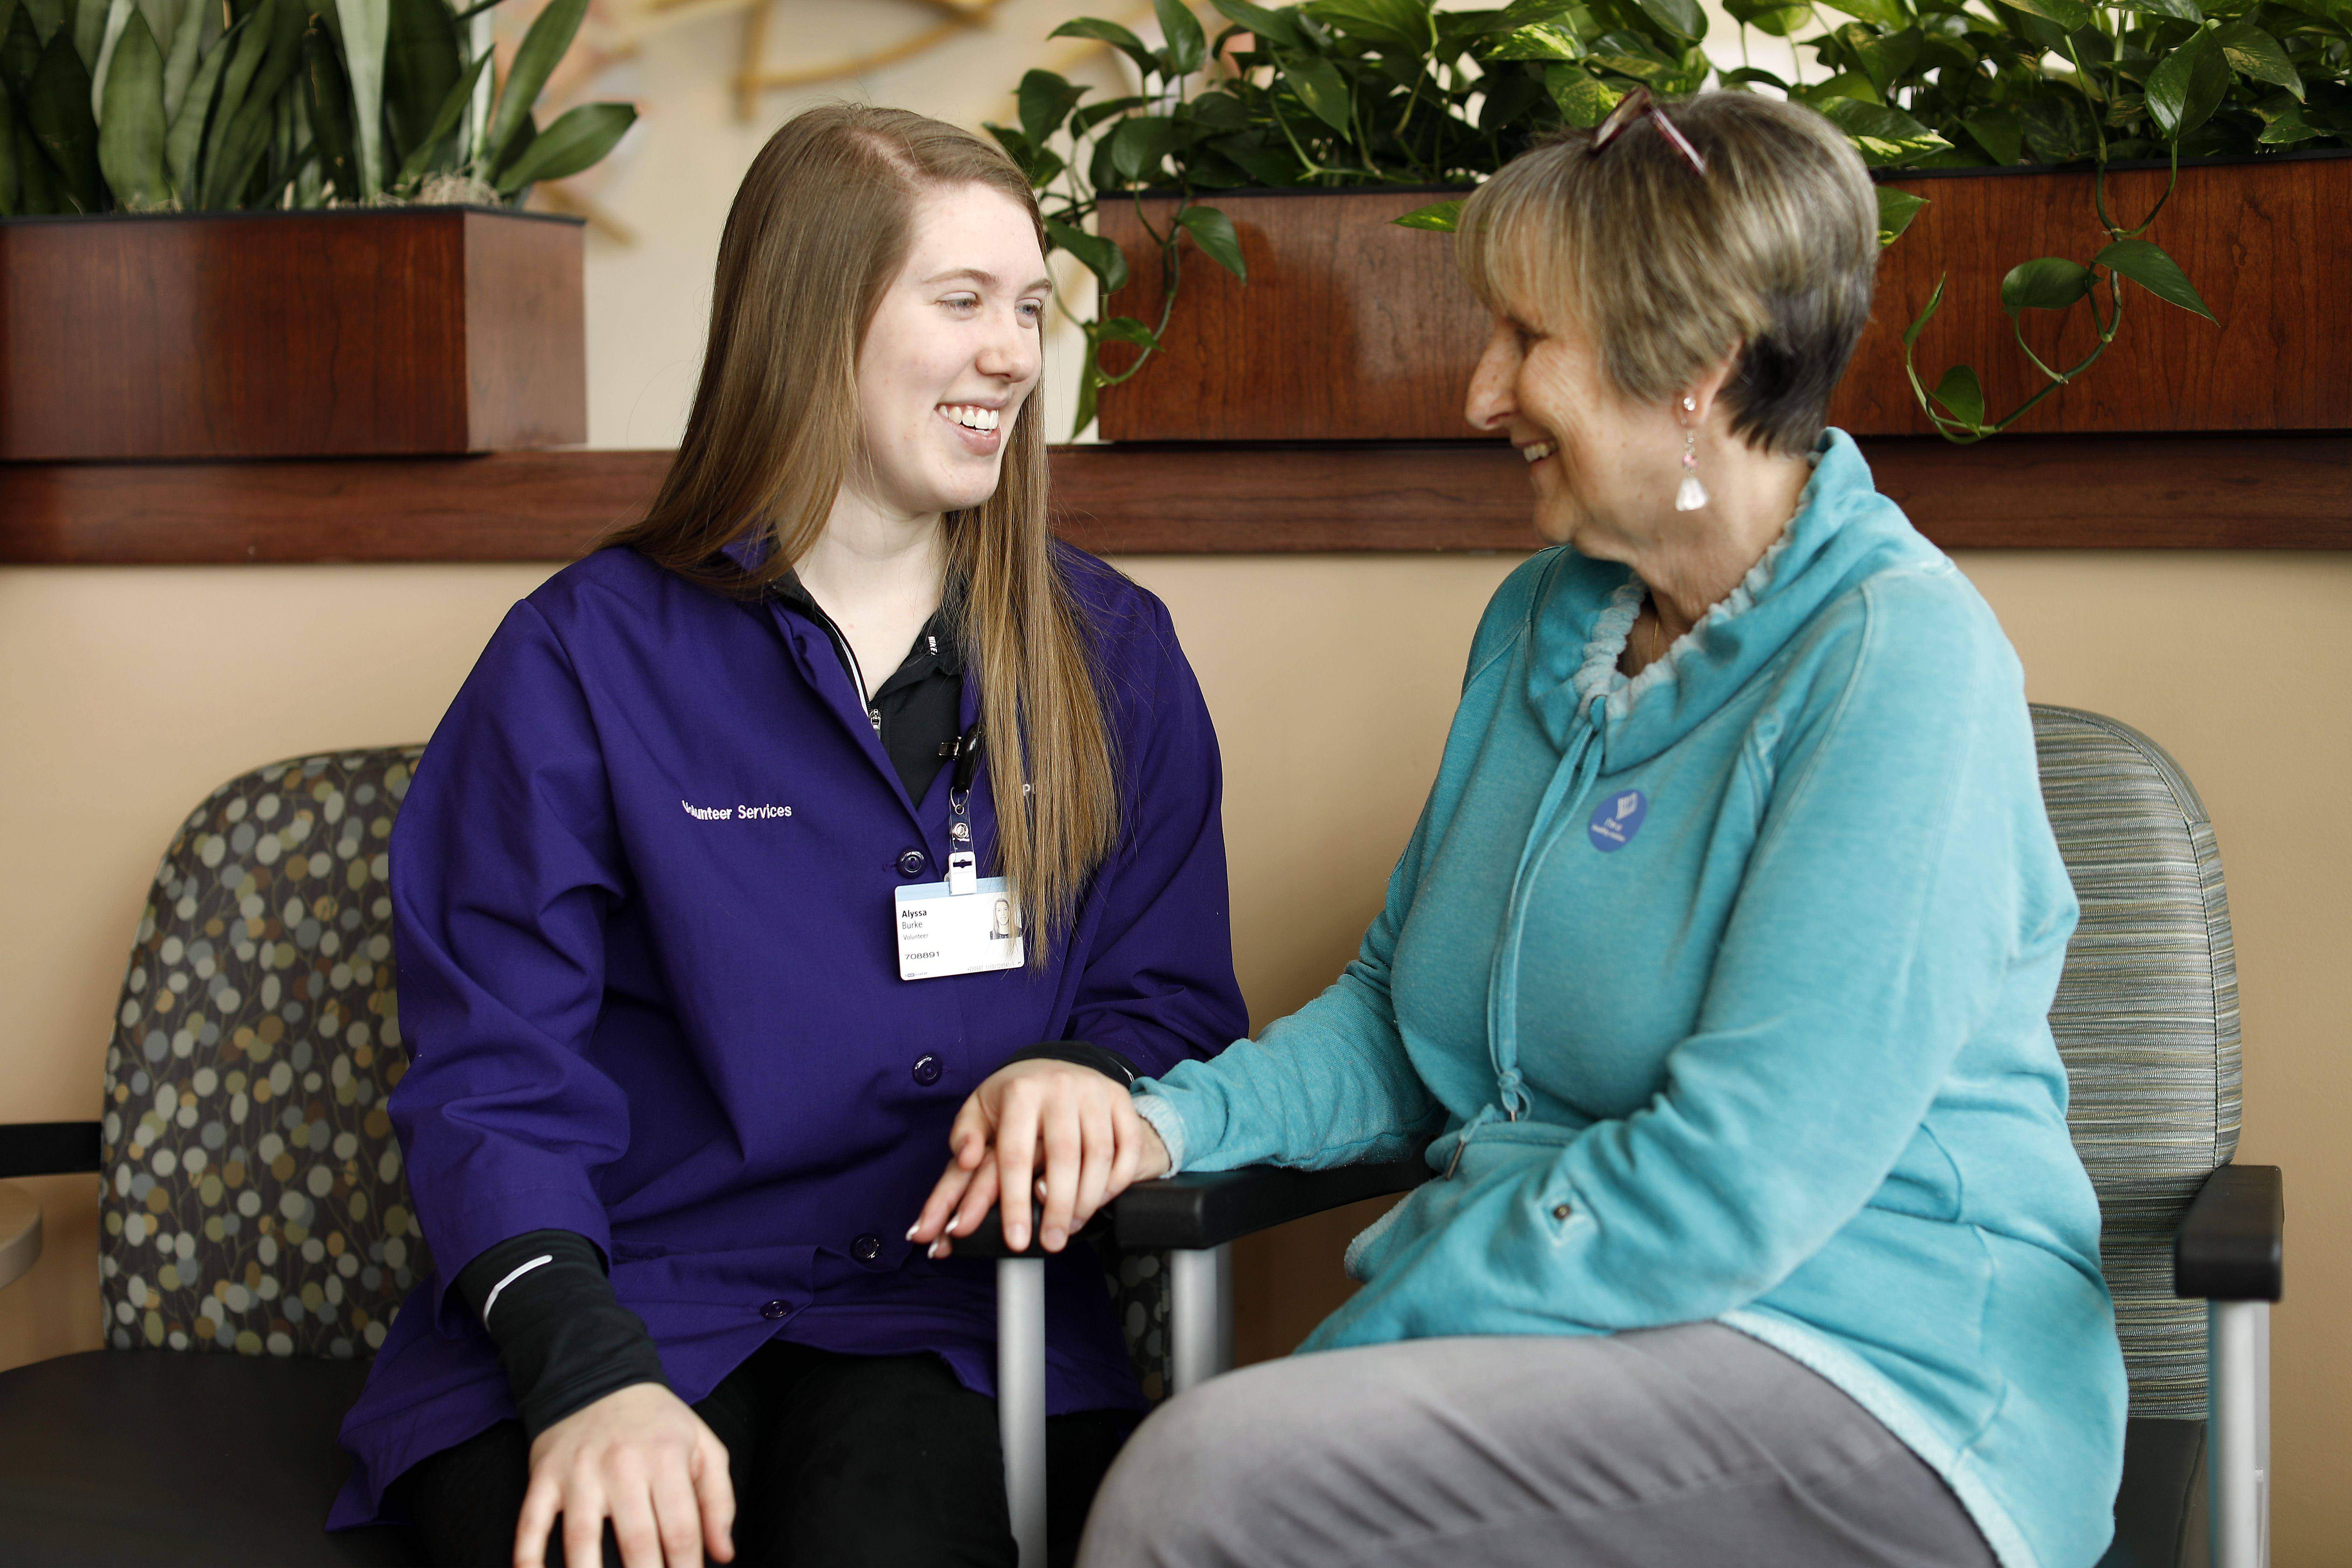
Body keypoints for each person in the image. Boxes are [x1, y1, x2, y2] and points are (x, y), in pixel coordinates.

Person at [916, 89, 2128, 1568]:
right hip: (1576, 1342)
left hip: (1881, 1375)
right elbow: (1397, 1022)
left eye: (1526, 339)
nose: (1479, 393)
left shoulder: (1896, 663)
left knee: (1204, 1484)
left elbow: (1737, 1183)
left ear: (1697, 366)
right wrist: (1160, 1118)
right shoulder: (1545, 623)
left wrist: (1376, 1329)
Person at [328, 104, 1247, 1568]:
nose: (1015, 353)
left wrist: (1090, 1074)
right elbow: (497, 1074)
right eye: (961, 302)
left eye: (1029, 308)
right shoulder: (578, 658)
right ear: (813, 323)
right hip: (633, 1286)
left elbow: (1170, 994)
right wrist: (583, 1368)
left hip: (954, 1312)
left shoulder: (1113, 654)